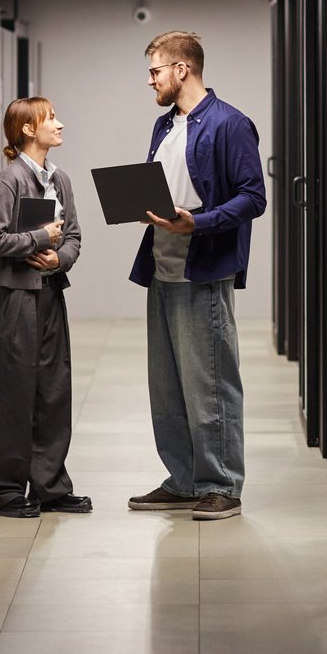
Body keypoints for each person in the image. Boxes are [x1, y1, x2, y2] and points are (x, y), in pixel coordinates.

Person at [127, 31, 266, 521]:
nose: (151, 81)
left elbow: (254, 197)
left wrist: (199, 222)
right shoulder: (164, 126)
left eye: (156, 71)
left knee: (210, 383)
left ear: (182, 69)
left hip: (203, 270)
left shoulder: (231, 125)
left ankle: (222, 484)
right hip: (162, 268)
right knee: (166, 385)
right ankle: (184, 480)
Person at [0, 96, 91, 518]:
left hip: (50, 295)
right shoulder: (10, 180)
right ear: (28, 129)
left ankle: (50, 486)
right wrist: (40, 240)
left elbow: (75, 236)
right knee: (14, 392)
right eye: (50, 119)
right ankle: (3, 491)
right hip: (18, 300)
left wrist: (59, 258)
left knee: (54, 390)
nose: (59, 124)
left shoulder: (60, 179)